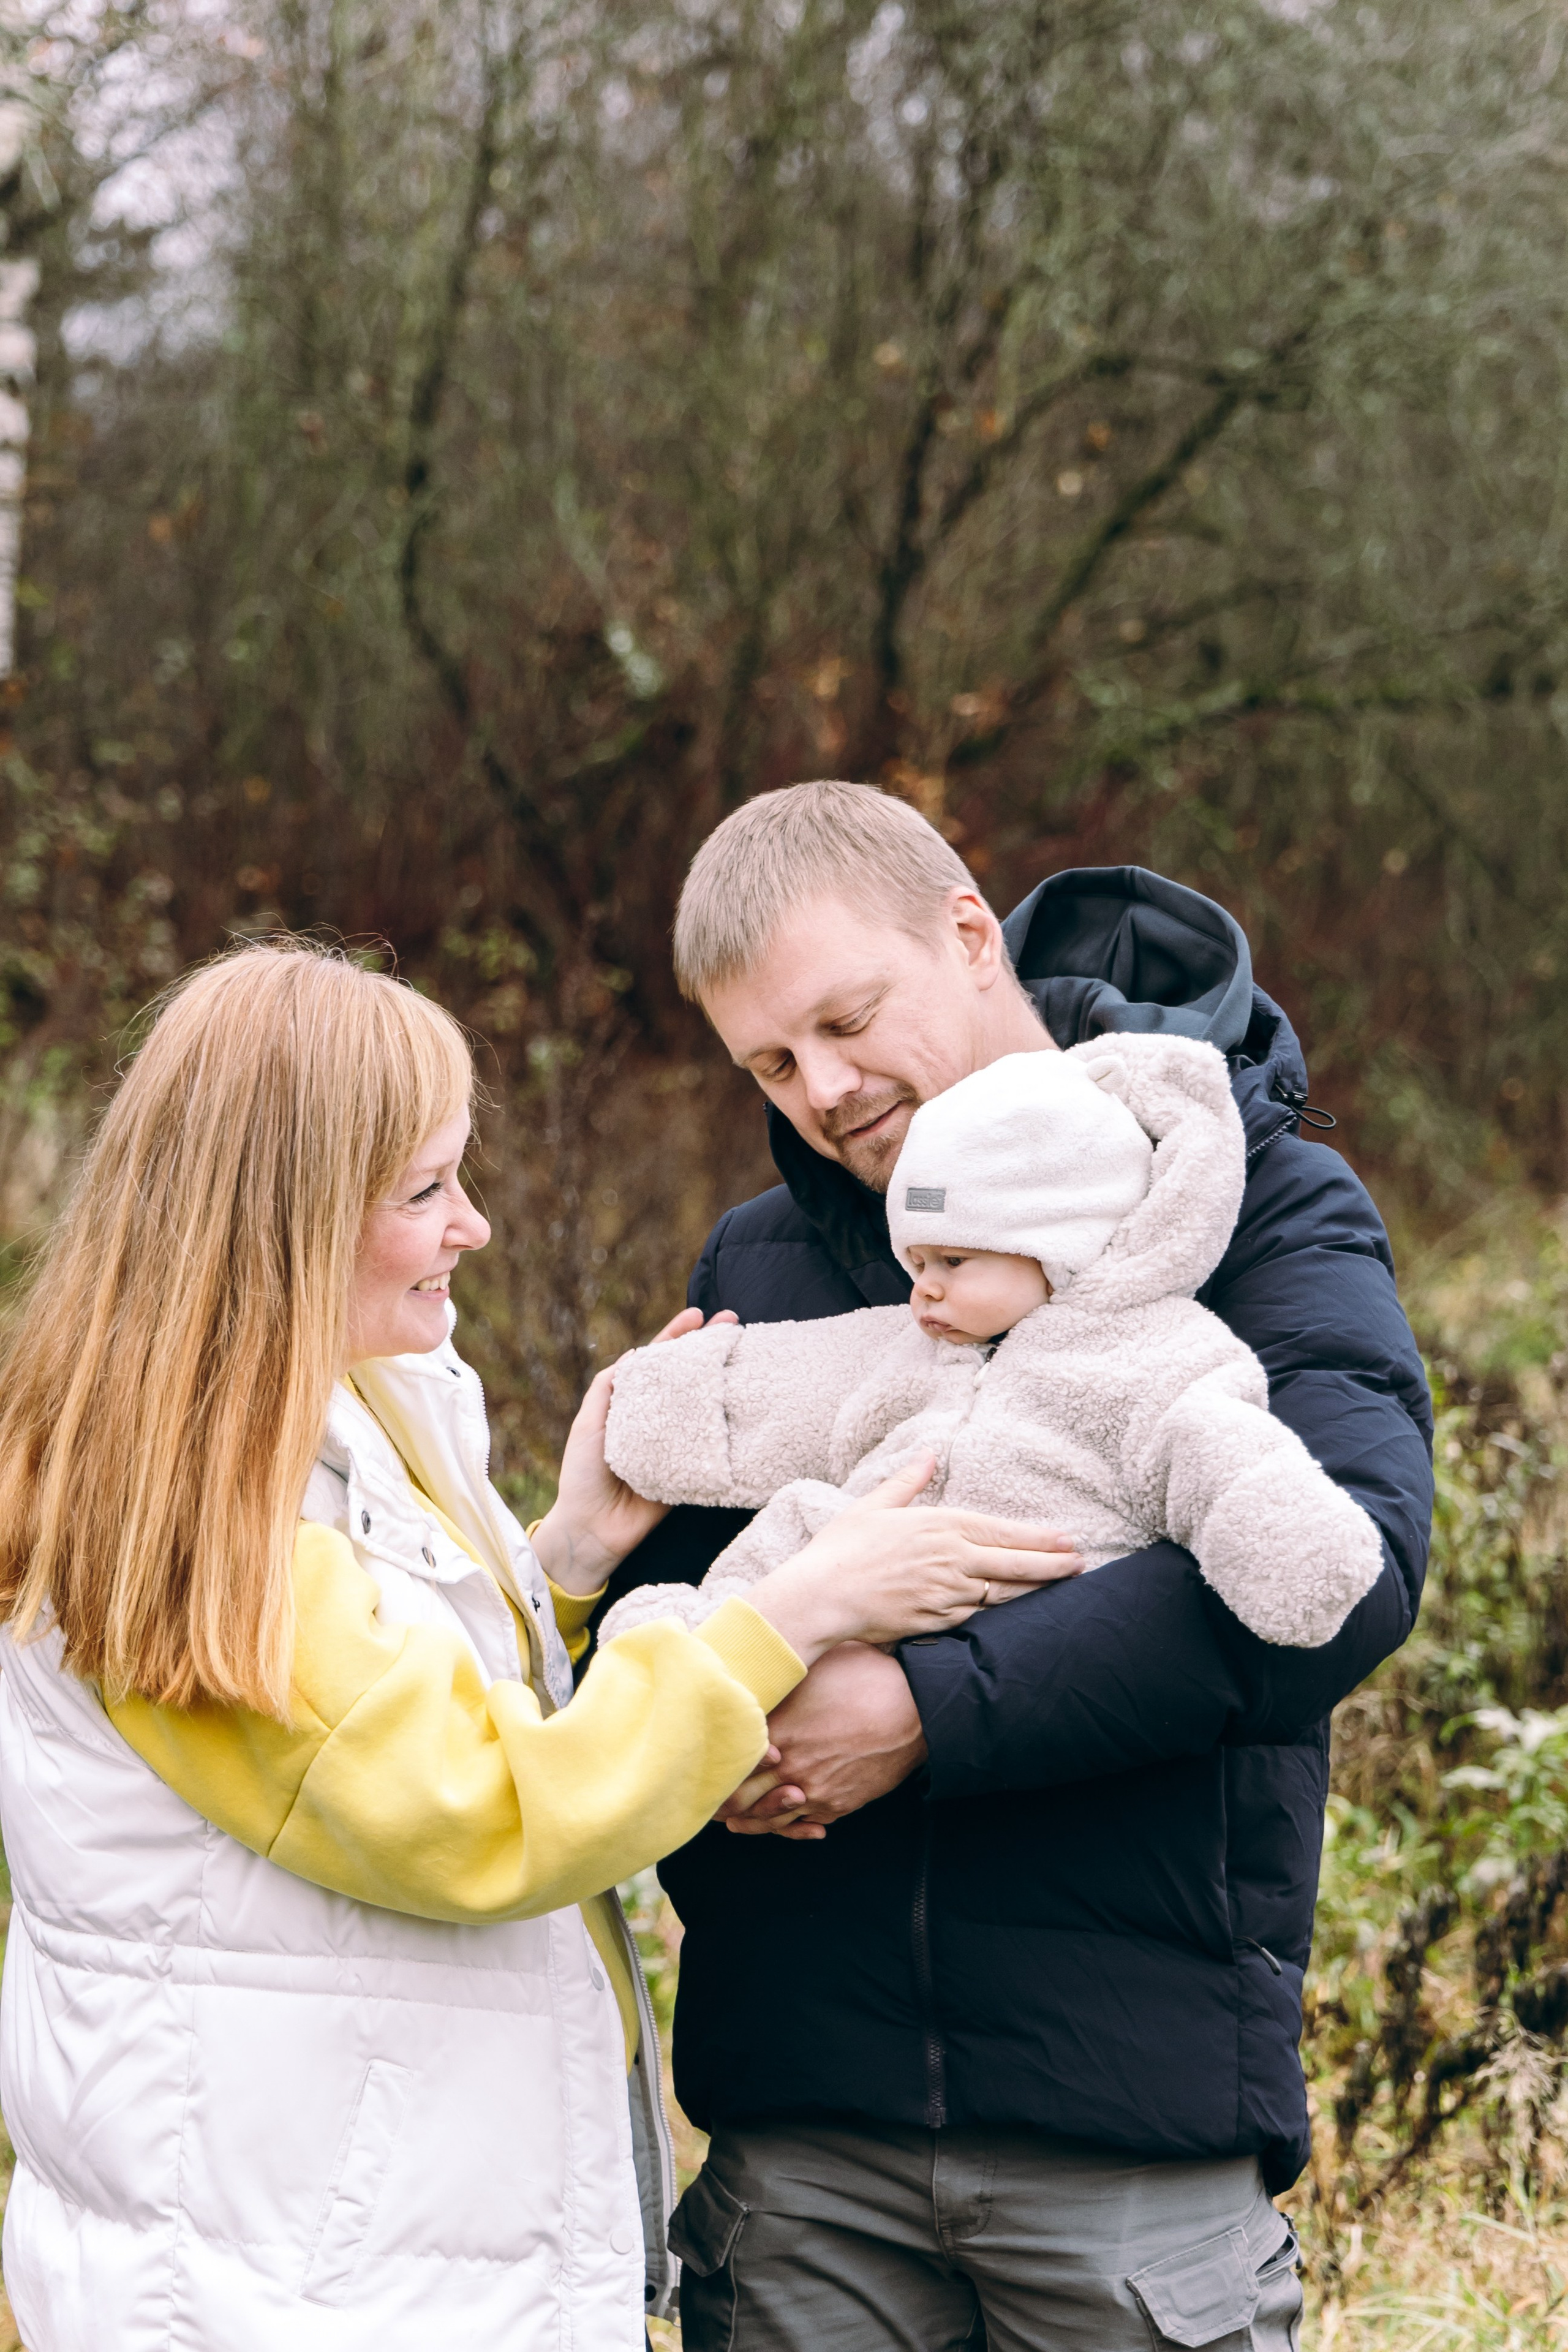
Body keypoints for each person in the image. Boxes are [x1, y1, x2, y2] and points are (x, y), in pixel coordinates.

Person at [0, 940, 1079, 2352]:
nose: (475, 1227)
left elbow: (376, 1711)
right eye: (423, 1190)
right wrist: (799, 1606)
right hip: (285, 2290)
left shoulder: (340, 1404)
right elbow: (487, 1812)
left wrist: (561, 1556)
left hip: (357, 2255)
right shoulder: (191, 1514)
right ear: (290, 1213)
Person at [595, 782, 1436, 2352]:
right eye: (771, 1063)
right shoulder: (755, 1262)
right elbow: (691, 1639)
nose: (825, 1091)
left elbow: (1349, 1574)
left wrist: (927, 1706)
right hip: (802, 2131)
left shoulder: (1255, 1209)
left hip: (1123, 2124)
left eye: (848, 1020)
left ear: (969, 933)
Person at [598, 1033, 1384, 1661]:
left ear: (1055, 1248)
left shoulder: (1156, 1360)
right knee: (801, 1521)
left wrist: (1295, 1560)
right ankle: (680, 1661)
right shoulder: (916, 1345)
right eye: (917, 1262)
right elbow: (794, 1386)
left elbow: (1220, 1456)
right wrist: (651, 1402)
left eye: (954, 1261)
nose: (924, 1290)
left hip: (1003, 1622)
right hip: (837, 1600)